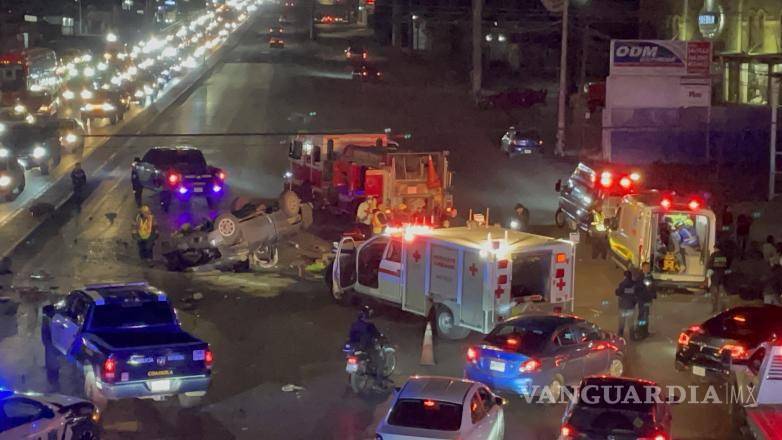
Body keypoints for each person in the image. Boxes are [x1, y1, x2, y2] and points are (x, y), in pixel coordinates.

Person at [347, 306, 383, 381]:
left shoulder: (354, 324)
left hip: (353, 347)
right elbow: (377, 335)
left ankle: (350, 379)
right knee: (379, 361)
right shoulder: (369, 325)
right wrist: (380, 337)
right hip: (364, 347)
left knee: (351, 361)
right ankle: (379, 383)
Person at [615, 271, 637, 339]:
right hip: (631, 306)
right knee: (631, 322)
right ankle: (632, 336)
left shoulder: (622, 284)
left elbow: (618, 292)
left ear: (624, 276)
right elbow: (636, 294)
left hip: (623, 306)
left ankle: (620, 335)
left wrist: (616, 290)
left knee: (622, 322)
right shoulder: (634, 284)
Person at [707, 245, 729, 312]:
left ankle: (714, 308)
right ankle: (723, 308)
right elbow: (724, 265)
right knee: (722, 293)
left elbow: (710, 264)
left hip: (715, 276)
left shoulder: (714, 254)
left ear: (716, 248)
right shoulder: (724, 254)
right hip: (722, 275)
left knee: (714, 293)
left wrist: (709, 269)